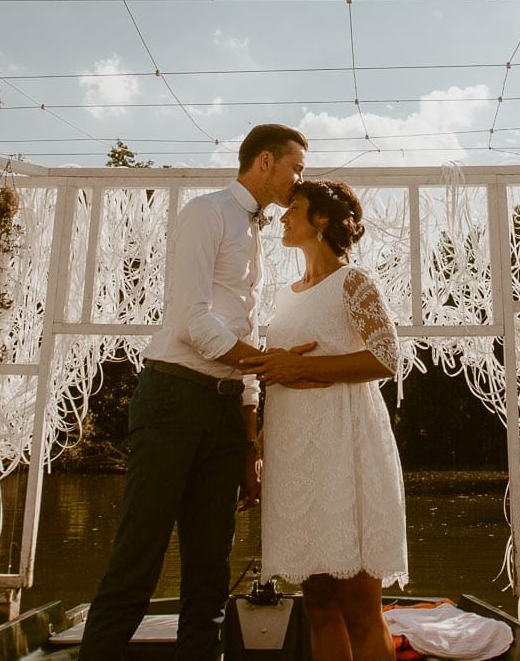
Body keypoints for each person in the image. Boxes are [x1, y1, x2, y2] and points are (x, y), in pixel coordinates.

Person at [78, 124, 311, 661]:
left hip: (225, 411)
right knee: (139, 555)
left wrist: (249, 442)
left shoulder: (257, 232)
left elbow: (243, 330)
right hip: (173, 401)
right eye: (296, 167)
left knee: (210, 569)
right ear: (265, 162)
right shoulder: (206, 213)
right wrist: (265, 362)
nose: (300, 179)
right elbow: (191, 320)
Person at [240, 179, 408, 661]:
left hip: (344, 453)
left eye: (294, 207)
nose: (283, 215)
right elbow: (283, 377)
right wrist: (260, 449)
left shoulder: (354, 282)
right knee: (316, 604)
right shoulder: (288, 294)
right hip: (295, 460)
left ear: (322, 220)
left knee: (358, 605)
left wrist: (300, 367)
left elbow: (386, 358)